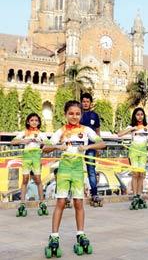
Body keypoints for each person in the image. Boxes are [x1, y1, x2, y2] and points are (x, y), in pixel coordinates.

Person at [42, 100, 106, 257]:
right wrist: (58, 147)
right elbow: (45, 148)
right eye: (71, 113)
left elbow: (102, 144)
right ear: (65, 115)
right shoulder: (61, 131)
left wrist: (88, 147)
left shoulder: (86, 130)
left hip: (78, 169)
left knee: (79, 202)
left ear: (81, 115)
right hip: (64, 169)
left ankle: (81, 234)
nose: (74, 116)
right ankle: (54, 237)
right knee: (61, 202)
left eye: (77, 113)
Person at [118, 107, 148, 209]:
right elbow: (119, 134)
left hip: (143, 152)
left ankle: (139, 195)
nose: (140, 116)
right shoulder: (131, 126)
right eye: (137, 114)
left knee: (141, 174)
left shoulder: (146, 127)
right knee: (135, 174)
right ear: (134, 116)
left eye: (141, 114)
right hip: (134, 152)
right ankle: (135, 195)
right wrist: (132, 129)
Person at [12, 113, 49, 217]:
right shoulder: (24, 132)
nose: (34, 122)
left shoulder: (41, 134)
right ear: (28, 121)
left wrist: (41, 143)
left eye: (36, 120)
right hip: (27, 157)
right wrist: (24, 140)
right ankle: (22, 203)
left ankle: (42, 202)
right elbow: (13, 142)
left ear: (39, 122)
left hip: (36, 157)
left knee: (38, 179)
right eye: (32, 120)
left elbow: (48, 143)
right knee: (24, 179)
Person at [80, 93, 102, 207]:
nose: (85, 103)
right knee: (76, 169)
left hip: (91, 147)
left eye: (87, 102)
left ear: (90, 103)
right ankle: (74, 193)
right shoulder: (77, 114)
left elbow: (98, 131)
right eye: (83, 101)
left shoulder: (95, 115)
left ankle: (94, 193)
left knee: (91, 170)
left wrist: (98, 146)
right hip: (78, 147)